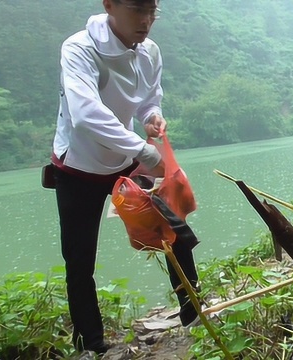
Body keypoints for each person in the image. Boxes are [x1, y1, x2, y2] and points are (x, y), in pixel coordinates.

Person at [51, 0, 199, 354]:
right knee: (79, 257)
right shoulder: (79, 48)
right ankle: (93, 344)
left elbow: (150, 97)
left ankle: (195, 314)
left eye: (153, 11)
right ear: (109, 5)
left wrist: (151, 116)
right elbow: (86, 114)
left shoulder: (149, 51)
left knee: (173, 230)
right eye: (137, 9)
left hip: (126, 156)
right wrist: (146, 152)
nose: (146, 20)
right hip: (80, 165)